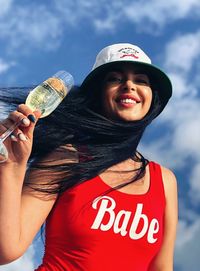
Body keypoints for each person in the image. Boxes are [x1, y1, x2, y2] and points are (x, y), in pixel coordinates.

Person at [0, 43, 178, 271]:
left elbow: (162, 267)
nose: (129, 86)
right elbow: (7, 249)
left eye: (141, 80)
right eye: (115, 78)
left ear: (153, 99)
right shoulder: (65, 158)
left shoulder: (164, 181)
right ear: (97, 95)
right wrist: (12, 166)